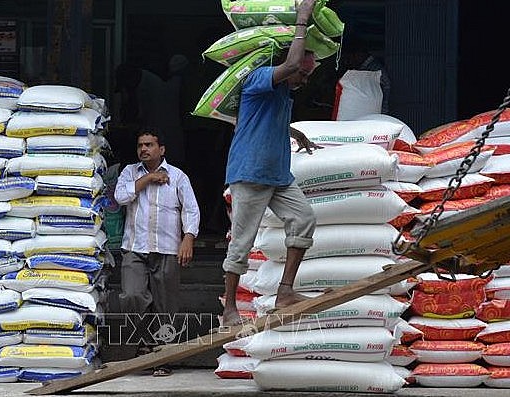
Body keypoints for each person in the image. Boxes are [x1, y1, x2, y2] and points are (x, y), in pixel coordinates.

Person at [221, 0, 321, 326]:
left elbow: (268, 121)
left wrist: (296, 134)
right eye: (303, 74)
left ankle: (285, 292)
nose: (303, 80)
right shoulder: (260, 78)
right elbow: (291, 66)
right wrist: (302, 19)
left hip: (278, 174)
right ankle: (229, 309)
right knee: (242, 242)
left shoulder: (283, 95)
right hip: (250, 173)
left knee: (304, 218)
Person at [114, 127, 200, 376]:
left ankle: (163, 356)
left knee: (166, 305)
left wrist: (188, 239)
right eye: (140, 145)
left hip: (167, 248)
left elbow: (191, 210)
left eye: (149, 145)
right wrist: (149, 179)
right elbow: (120, 197)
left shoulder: (178, 176)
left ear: (161, 149)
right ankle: (144, 343)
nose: (144, 149)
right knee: (132, 296)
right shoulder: (130, 172)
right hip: (135, 248)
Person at [339, 35, 391, 114]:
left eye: (349, 58)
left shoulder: (374, 71)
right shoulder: (367, 69)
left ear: (359, 53)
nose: (349, 62)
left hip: (376, 113)